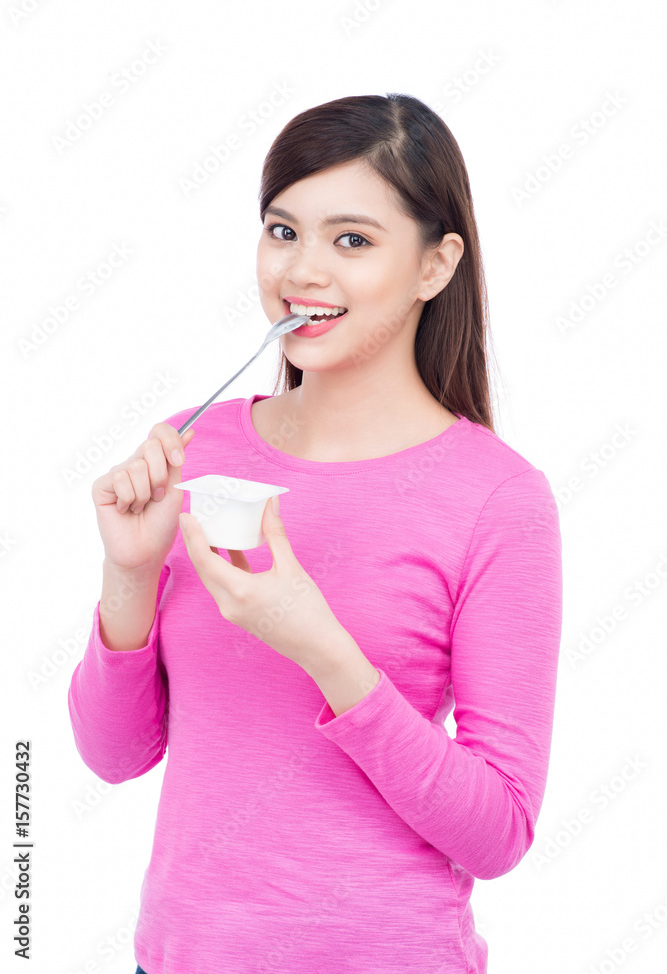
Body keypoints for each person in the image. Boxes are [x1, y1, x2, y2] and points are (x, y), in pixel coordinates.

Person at [68, 93, 563, 974]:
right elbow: (114, 758)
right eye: (282, 230)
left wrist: (324, 651)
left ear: (435, 265)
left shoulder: (498, 500)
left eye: (352, 240)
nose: (302, 272)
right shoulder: (196, 448)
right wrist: (130, 576)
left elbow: (498, 834)